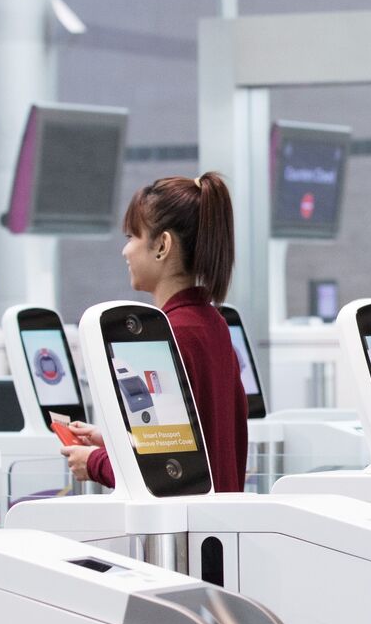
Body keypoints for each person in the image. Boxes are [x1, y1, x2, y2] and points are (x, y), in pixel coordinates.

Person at [65, 172, 248, 494]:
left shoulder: (165, 340)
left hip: (181, 531)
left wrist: (93, 462)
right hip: (219, 525)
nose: (126, 251)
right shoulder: (213, 325)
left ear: (162, 245)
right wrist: (114, 441)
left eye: (133, 236)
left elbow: (164, 469)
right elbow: (188, 443)